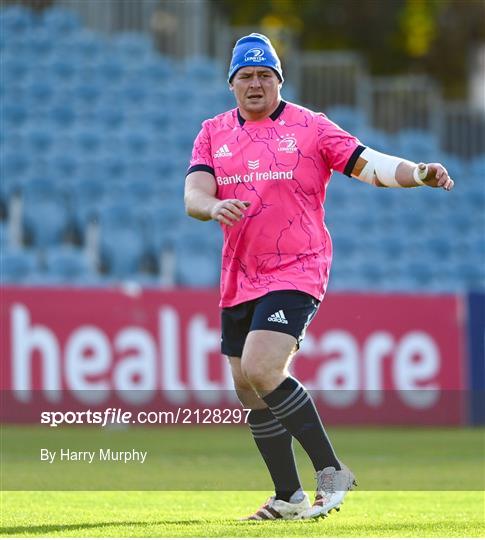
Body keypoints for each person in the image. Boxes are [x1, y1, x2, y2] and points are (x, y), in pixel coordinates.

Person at [184, 33, 454, 521]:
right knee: (246, 384)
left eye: (265, 75)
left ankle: (331, 472)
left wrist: (417, 172)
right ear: (231, 84)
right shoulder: (212, 132)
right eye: (244, 76)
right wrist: (212, 205)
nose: (254, 84)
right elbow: (193, 195)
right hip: (240, 273)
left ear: (279, 81)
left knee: (264, 367)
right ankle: (288, 496)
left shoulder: (311, 127)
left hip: (297, 267)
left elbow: (367, 164)